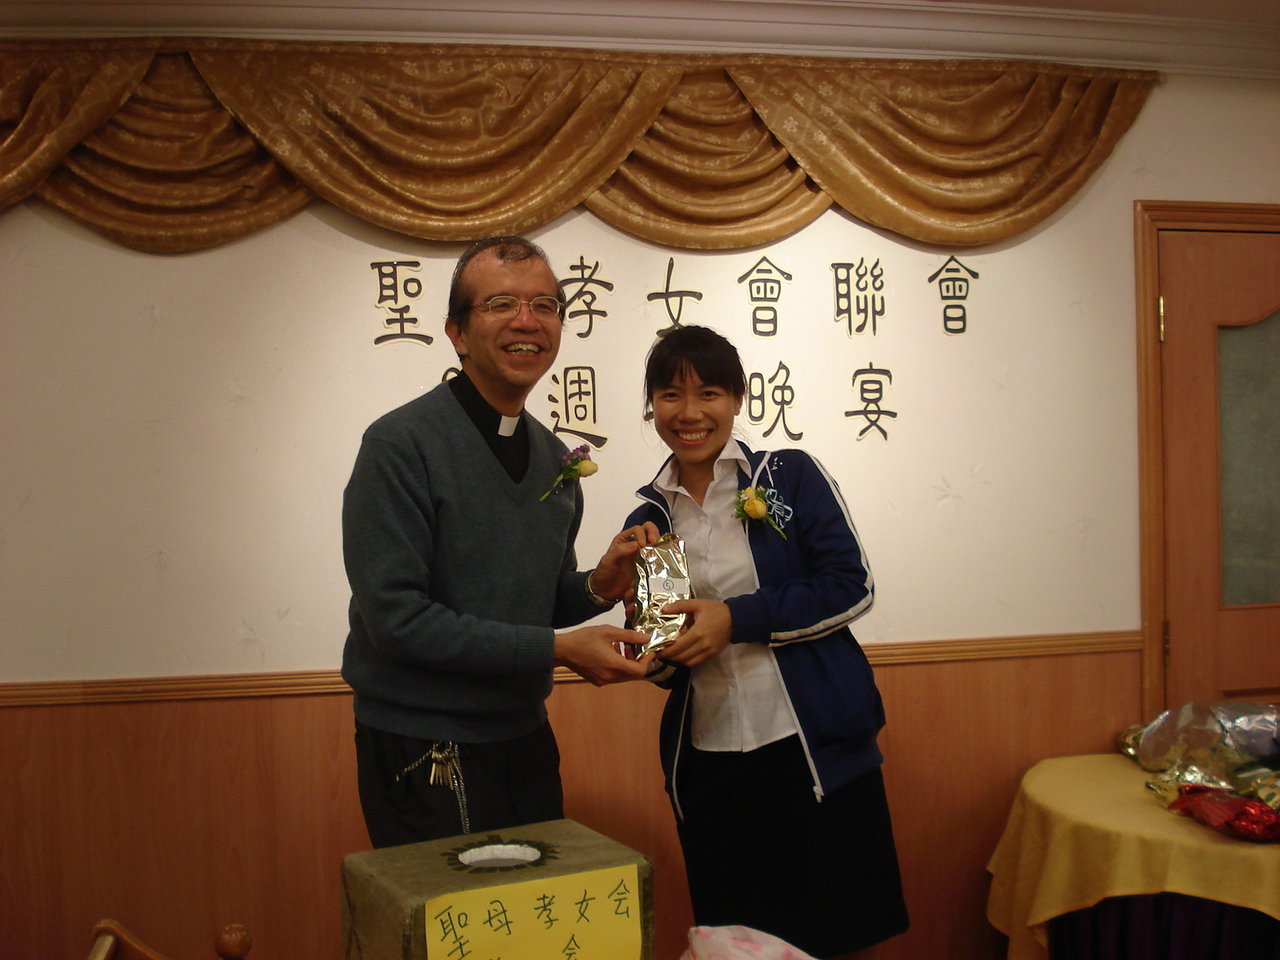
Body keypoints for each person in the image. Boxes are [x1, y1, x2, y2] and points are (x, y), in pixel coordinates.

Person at [342, 235, 652, 849]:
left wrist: (598, 586)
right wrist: (557, 649)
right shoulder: (400, 444)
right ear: (456, 332)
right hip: (424, 746)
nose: (527, 322)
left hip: (524, 736)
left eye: (545, 305)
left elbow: (534, 602)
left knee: (540, 910)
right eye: (501, 304)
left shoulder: (556, 457)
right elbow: (397, 621)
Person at [622, 325, 909, 958]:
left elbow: (850, 585)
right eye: (670, 395)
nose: (689, 413)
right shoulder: (652, 519)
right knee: (736, 943)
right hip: (712, 765)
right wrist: (642, 630)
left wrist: (735, 618)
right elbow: (664, 659)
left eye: (709, 393)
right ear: (652, 406)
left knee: (834, 935)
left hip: (810, 753)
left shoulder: (785, 478)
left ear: (738, 398)